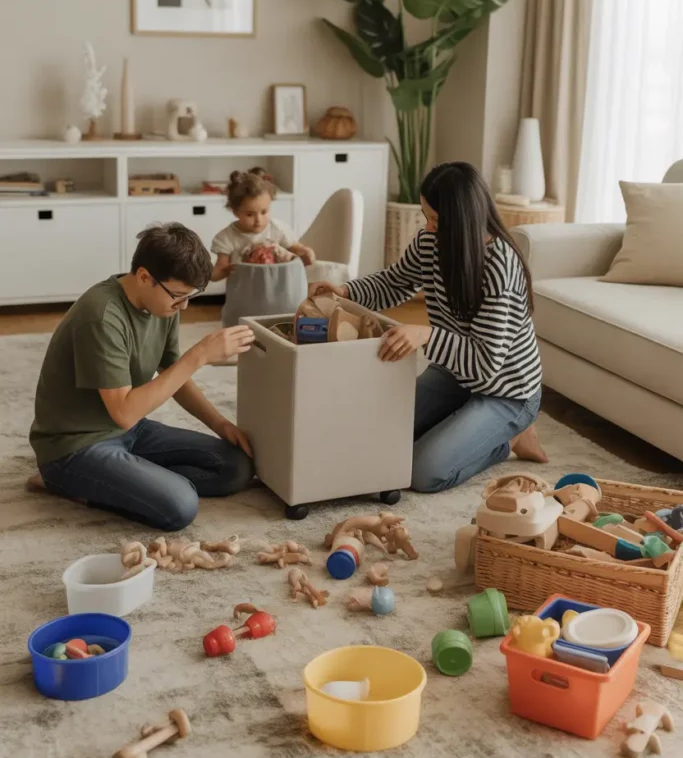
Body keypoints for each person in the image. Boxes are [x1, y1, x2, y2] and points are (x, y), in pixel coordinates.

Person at [311, 161, 547, 493]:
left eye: (436, 219)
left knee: (423, 472)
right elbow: (395, 282)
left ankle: (511, 439)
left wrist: (425, 334)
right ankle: (467, 426)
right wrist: (346, 291)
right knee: (375, 437)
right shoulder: (430, 243)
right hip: (455, 375)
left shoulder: (500, 267)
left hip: (506, 391)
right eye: (427, 217)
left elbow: (486, 363)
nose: (428, 227)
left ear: (463, 221)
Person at [29, 223, 256, 531]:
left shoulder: (163, 307)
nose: (183, 306)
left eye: (190, 297)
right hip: (75, 445)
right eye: (177, 296)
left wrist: (220, 424)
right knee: (180, 505)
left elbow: (172, 373)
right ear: (145, 277)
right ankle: (65, 481)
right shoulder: (102, 316)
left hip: (130, 431)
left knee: (237, 467)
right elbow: (124, 412)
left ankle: (126, 479)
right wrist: (200, 354)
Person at [210, 167, 316, 326]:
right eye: (250, 214)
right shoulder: (227, 237)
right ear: (235, 211)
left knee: (280, 326)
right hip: (245, 298)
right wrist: (223, 271)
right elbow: (215, 274)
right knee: (242, 332)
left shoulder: (277, 228)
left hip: (278, 295)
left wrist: (306, 253)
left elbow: (296, 249)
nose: (258, 220)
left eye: (264, 212)